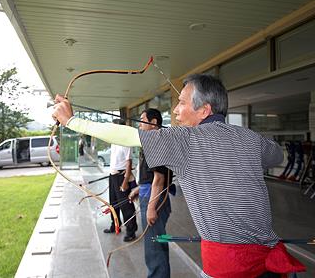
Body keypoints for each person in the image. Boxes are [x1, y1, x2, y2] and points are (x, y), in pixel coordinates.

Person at [53, 74, 306, 277]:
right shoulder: (249, 137)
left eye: (182, 102)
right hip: (270, 263)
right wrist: (241, 146)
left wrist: (72, 121)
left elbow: (126, 136)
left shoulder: (186, 139)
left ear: (204, 110)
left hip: (230, 268)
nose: (175, 110)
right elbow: (277, 157)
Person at [129, 108, 172, 278]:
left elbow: (160, 178)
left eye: (142, 120)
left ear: (153, 122)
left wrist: (151, 207)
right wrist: (139, 188)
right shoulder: (153, 140)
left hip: (156, 199)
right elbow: (152, 175)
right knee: (159, 242)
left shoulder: (156, 141)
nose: (139, 124)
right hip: (152, 194)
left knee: (154, 246)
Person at [104, 118, 138, 242]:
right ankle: (115, 225)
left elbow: (129, 164)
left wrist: (124, 182)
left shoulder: (125, 142)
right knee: (113, 203)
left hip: (121, 177)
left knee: (125, 204)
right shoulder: (114, 141)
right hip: (113, 176)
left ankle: (131, 231)